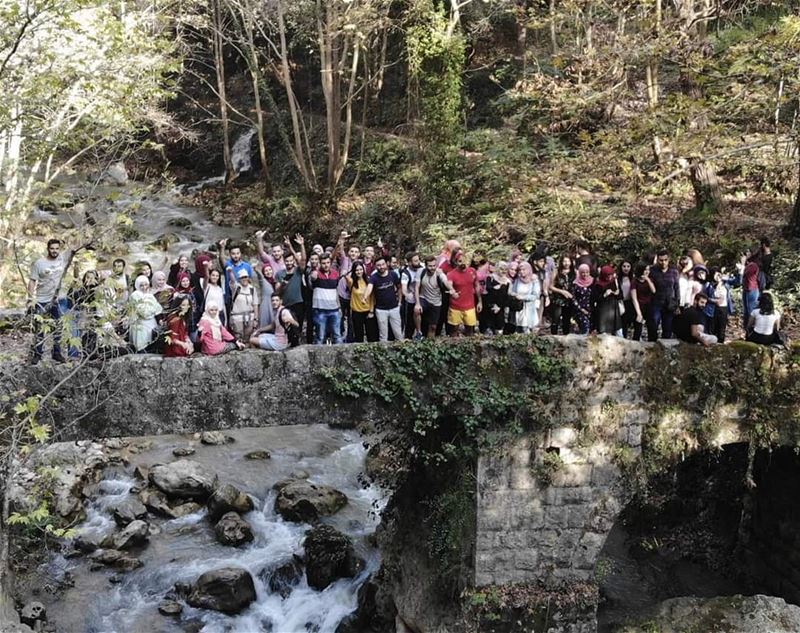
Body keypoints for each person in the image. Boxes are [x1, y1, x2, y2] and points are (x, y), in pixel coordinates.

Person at [28, 238, 73, 364]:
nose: (54, 251)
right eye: (52, 248)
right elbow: (32, 281)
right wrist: (30, 299)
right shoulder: (39, 263)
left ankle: (57, 353)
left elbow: (75, 247)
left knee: (58, 327)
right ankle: (37, 354)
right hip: (42, 300)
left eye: (57, 248)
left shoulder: (63, 260)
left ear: (60, 249)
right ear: (48, 249)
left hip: (59, 300)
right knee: (40, 328)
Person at [363, 255, 403, 342]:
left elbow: (399, 287)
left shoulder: (393, 274)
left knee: (398, 333)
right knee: (383, 335)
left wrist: (399, 301)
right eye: (379, 265)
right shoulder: (374, 277)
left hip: (394, 308)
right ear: (376, 266)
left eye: (383, 264)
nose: (381, 267)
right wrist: (365, 297)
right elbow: (369, 287)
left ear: (386, 264)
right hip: (381, 310)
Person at [446, 251, 482, 337]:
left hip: (470, 306)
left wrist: (480, 301)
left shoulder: (472, 271)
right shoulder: (451, 274)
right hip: (455, 306)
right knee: (454, 330)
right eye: (460, 261)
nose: (462, 263)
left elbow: (477, 286)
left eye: (464, 261)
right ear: (456, 262)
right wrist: (452, 292)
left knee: (470, 330)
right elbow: (449, 284)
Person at [415, 256, 452, 339]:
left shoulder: (439, 273)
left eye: (434, 266)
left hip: (436, 301)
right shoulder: (421, 272)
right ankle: (418, 332)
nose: (432, 268)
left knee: (433, 327)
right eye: (430, 266)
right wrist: (417, 303)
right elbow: (417, 287)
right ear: (426, 266)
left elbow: (445, 281)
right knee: (417, 311)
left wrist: (452, 289)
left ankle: (430, 344)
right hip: (423, 298)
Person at [275, 250, 307, 346]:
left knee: (298, 325)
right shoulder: (280, 274)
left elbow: (303, 260)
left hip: (298, 302)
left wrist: (300, 245)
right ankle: (289, 343)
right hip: (286, 304)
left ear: (293, 261)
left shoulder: (298, 270)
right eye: (287, 261)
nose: (289, 263)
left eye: (290, 261)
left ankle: (298, 343)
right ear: (284, 261)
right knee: (287, 326)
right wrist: (282, 284)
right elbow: (276, 291)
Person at [310, 253, 343, 345]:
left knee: (337, 335)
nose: (326, 265)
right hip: (320, 310)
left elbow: (336, 291)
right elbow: (312, 278)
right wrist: (314, 273)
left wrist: (339, 307)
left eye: (328, 262)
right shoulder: (316, 273)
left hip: (334, 309)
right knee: (320, 336)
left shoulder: (335, 274)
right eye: (323, 263)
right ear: (320, 264)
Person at [649, 250, 680, 340]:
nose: (663, 262)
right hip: (656, 302)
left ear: (668, 259)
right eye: (661, 260)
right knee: (654, 324)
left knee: (668, 327)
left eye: (665, 260)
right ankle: (652, 345)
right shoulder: (652, 270)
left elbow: (677, 288)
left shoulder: (674, 271)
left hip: (670, 303)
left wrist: (677, 304)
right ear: (657, 260)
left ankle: (665, 347)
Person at [128, 275, 163, 352]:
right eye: (141, 285)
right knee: (142, 348)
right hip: (141, 326)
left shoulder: (150, 295)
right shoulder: (135, 295)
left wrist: (152, 309)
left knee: (152, 346)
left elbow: (159, 309)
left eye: (145, 284)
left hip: (151, 324)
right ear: (137, 285)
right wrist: (152, 310)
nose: (144, 287)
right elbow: (144, 313)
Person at [348, 261, 378, 342]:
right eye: (357, 270)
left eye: (361, 269)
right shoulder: (351, 282)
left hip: (368, 311)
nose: (359, 272)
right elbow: (345, 275)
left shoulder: (369, 280)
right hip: (356, 311)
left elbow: (372, 297)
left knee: (372, 335)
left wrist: (371, 311)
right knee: (358, 335)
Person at [228, 269, 259, 342]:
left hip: (250, 316)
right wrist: (230, 272)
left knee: (248, 337)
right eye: (242, 277)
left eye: (245, 277)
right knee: (238, 337)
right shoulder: (236, 288)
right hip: (237, 317)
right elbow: (232, 281)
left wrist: (256, 319)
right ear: (239, 279)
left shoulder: (252, 289)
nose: (244, 279)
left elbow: (255, 304)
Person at [592, 265, 623, 335]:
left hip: (614, 311)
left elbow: (621, 296)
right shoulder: (598, 284)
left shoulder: (615, 282)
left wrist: (617, 293)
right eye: (607, 275)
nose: (609, 277)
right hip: (603, 313)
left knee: (619, 333)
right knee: (604, 335)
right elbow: (594, 299)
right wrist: (604, 295)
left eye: (611, 275)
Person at [509, 261, 539, 334]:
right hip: (519, 308)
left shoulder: (534, 281)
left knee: (526, 329)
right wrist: (514, 295)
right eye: (520, 270)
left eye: (524, 270)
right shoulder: (517, 280)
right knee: (518, 329)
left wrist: (523, 297)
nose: (522, 272)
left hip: (528, 309)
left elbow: (535, 295)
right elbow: (512, 291)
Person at [705, 267, 732, 343]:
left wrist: (740, 270)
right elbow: (705, 297)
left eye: (719, 274)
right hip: (713, 309)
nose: (718, 276)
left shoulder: (726, 283)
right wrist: (714, 301)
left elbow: (737, 281)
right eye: (715, 274)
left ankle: (721, 343)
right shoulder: (709, 285)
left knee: (722, 328)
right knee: (712, 328)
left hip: (723, 308)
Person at [400, 252, 424, 340]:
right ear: (409, 262)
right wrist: (407, 294)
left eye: (418, 260)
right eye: (415, 261)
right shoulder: (405, 273)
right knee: (409, 324)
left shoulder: (423, 268)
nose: (418, 262)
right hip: (411, 300)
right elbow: (403, 288)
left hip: (423, 297)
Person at [549, 255, 574, 335]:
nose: (566, 263)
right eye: (564, 261)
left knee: (566, 321)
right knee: (555, 320)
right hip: (558, 299)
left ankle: (566, 340)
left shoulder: (574, 272)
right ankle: (553, 338)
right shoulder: (556, 271)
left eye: (568, 261)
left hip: (569, 300)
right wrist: (562, 291)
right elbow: (551, 286)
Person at [631, 263, 656, 342]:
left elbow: (653, 291)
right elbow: (634, 298)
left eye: (648, 270)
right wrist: (639, 313)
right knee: (638, 328)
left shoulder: (650, 280)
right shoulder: (634, 281)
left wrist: (648, 280)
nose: (647, 272)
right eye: (645, 270)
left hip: (648, 305)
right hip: (638, 306)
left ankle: (652, 344)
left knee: (652, 327)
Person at [483, 261, 510, 335]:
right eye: (501, 269)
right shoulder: (490, 277)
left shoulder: (507, 282)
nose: (503, 271)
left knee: (499, 326)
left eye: (505, 269)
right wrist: (496, 288)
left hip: (500, 307)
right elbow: (488, 288)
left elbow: (506, 297)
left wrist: (499, 306)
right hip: (490, 305)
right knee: (489, 325)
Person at [571, 264, 594, 335]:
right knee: (585, 327)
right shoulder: (575, 284)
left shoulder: (593, 282)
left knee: (592, 329)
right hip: (580, 310)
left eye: (587, 272)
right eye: (583, 272)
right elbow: (573, 298)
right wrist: (581, 309)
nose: (585, 274)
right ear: (580, 273)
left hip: (591, 309)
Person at [742, 254, 761, 330]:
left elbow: (746, 274)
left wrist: (743, 264)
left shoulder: (753, 265)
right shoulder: (750, 265)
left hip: (752, 289)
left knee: (751, 310)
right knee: (746, 310)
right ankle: (746, 328)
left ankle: (751, 328)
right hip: (747, 289)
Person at [618, 260, 635, 338]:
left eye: (628, 266)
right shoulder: (618, 279)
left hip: (631, 303)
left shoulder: (633, 278)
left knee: (631, 322)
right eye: (624, 266)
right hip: (621, 303)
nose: (626, 268)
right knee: (623, 322)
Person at [256, 264, 276, 329]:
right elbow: (260, 277)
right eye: (266, 271)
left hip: (274, 304)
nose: (268, 272)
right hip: (266, 305)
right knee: (265, 324)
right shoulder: (263, 281)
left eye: (270, 270)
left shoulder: (275, 281)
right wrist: (256, 270)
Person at [504, 261, 520, 334]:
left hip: (515, 305)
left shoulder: (519, 280)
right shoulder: (504, 279)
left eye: (516, 270)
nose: (513, 272)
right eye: (512, 269)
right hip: (505, 304)